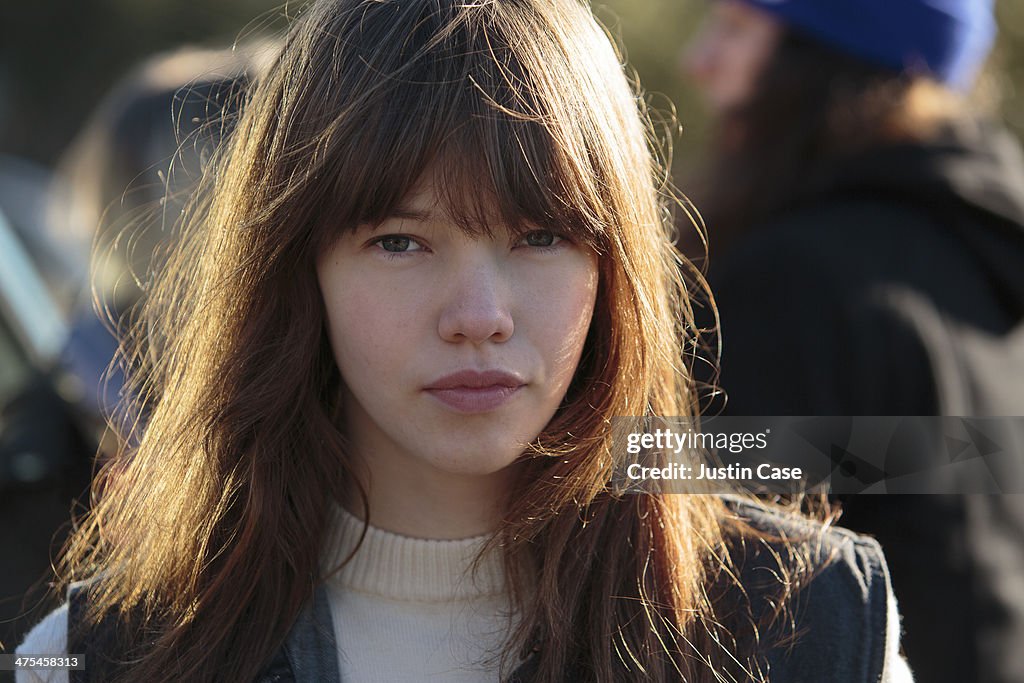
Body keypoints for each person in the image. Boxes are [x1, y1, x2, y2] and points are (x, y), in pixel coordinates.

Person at [18, 0, 912, 681]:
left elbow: (954, 460)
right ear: (297, 272)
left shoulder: (810, 627)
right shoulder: (104, 651)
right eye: (400, 242)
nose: (479, 313)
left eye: (540, 237)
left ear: (616, 266)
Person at [683, 1, 1024, 682]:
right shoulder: (980, 253)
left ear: (823, 61)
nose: (700, 60)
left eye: (739, 27)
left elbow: (696, 541)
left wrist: (589, 454)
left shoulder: (797, 280)